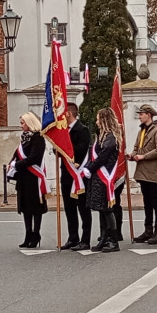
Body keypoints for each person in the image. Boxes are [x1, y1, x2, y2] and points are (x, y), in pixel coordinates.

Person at [86, 108, 123, 253]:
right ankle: (103, 238)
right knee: (101, 209)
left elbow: (103, 156)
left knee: (107, 209)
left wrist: (90, 167)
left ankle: (113, 240)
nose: (96, 121)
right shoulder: (102, 136)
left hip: (104, 176)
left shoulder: (111, 138)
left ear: (104, 120)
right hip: (98, 176)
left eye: (98, 119)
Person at [10, 111, 48, 249]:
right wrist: (12, 163)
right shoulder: (24, 137)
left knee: (35, 208)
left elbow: (34, 158)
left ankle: (36, 234)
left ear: (30, 122)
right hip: (23, 177)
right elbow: (17, 154)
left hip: (34, 178)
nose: (21, 126)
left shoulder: (38, 137)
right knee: (26, 208)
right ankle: (28, 234)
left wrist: (18, 164)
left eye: (23, 123)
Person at [129, 104, 157, 244]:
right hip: (142, 171)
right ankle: (148, 230)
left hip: (152, 170)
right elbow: (137, 148)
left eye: (141, 114)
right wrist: (132, 155)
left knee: (155, 201)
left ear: (149, 115)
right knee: (147, 202)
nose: (139, 116)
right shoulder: (142, 131)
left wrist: (143, 157)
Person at [61, 103, 93, 252]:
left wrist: (65, 147)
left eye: (63, 113)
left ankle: (85, 239)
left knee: (83, 209)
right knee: (69, 208)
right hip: (66, 175)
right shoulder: (62, 131)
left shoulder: (83, 130)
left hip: (79, 175)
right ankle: (72, 237)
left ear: (69, 113)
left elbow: (81, 149)